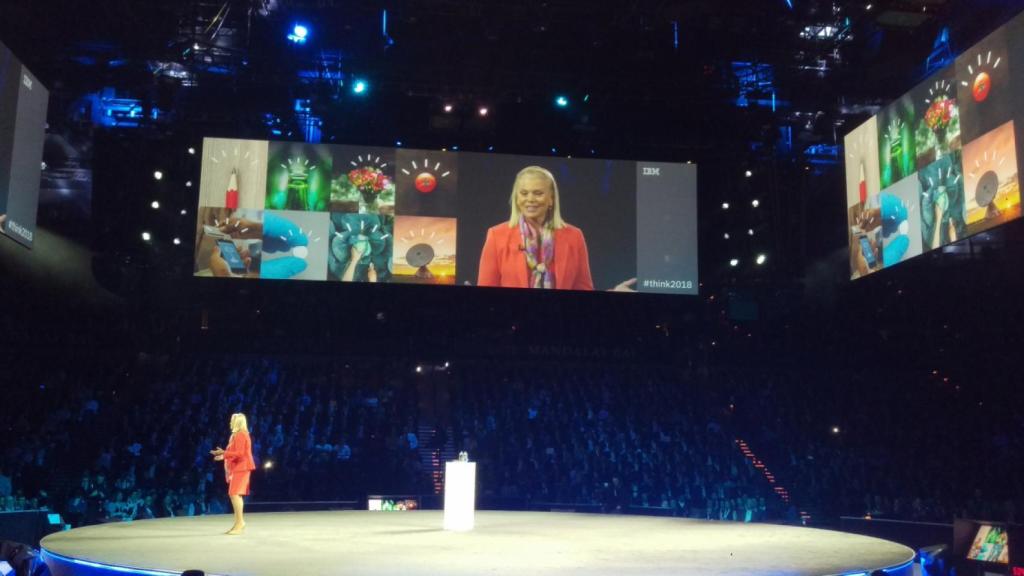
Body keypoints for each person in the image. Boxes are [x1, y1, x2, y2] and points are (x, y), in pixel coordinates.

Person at [477, 166, 594, 290]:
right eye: (524, 193)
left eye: (538, 193)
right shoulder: (496, 236)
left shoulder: (574, 236)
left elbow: (583, 287)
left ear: (551, 199)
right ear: (517, 198)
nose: (530, 199)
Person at [210, 413, 255, 535]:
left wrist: (224, 453)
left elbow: (240, 453)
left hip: (242, 467)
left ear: (237, 422)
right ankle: (238, 523)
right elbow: (235, 452)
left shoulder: (240, 434)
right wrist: (223, 455)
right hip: (239, 466)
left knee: (234, 494)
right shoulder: (238, 434)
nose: (230, 422)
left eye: (232, 420)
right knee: (235, 495)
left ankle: (240, 523)